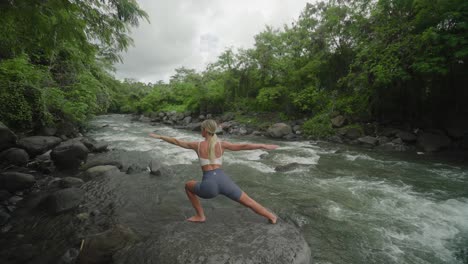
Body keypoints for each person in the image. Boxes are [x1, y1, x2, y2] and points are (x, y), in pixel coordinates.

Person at [149, 119, 278, 224]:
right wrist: (263, 145)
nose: (201, 131)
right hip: (224, 181)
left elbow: (176, 141)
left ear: (205, 130)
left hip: (209, 186)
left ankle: (200, 215)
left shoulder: (197, 145)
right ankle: (271, 216)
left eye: (201, 129)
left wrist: (160, 136)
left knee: (188, 186)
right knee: (249, 201)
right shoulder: (222, 144)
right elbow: (244, 146)